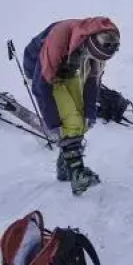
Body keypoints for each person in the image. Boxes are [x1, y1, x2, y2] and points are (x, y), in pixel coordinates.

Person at [23, 17, 120, 195]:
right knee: (72, 121)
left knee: (82, 120)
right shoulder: (60, 37)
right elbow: (40, 86)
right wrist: (53, 124)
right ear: (88, 46)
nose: (96, 60)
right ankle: (77, 173)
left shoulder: (99, 41)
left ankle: (65, 168)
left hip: (67, 69)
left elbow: (92, 81)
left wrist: (90, 112)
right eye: (93, 56)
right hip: (41, 71)